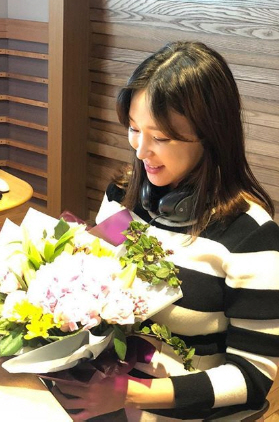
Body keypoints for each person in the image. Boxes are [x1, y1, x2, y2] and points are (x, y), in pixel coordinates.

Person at [52, 41, 279, 421]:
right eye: (134, 129)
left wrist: (130, 393)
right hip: (103, 397)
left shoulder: (250, 239)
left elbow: (252, 377)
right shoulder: (123, 194)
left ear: (211, 136)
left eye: (160, 138)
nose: (141, 151)